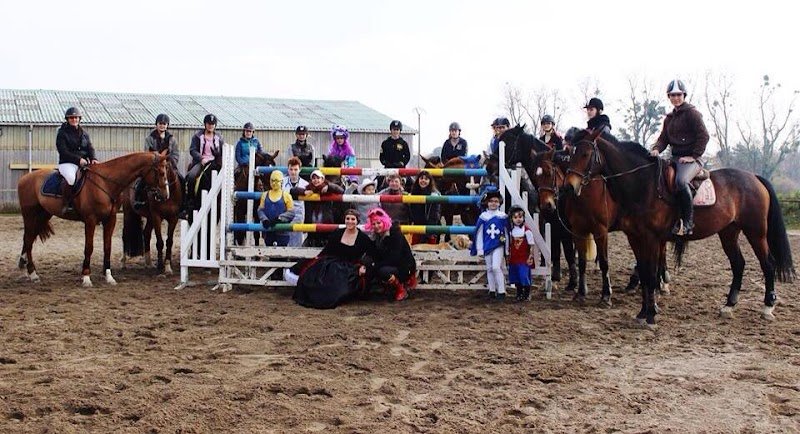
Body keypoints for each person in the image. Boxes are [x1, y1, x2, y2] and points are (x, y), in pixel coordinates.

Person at [650, 79, 710, 236]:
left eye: (678, 94)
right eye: (672, 95)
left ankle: (688, 222)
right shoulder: (669, 118)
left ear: (684, 95)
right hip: (675, 158)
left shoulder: (692, 114)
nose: (675, 98)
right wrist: (656, 149)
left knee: (681, 181)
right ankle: (672, 218)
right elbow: (663, 139)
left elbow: (704, 136)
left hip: (692, 159)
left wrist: (694, 156)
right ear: (669, 97)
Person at [289, 209, 374, 309]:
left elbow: (371, 253)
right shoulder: (337, 233)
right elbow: (328, 249)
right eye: (347, 219)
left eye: (353, 219)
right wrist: (317, 258)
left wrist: (364, 265)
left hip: (350, 267)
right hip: (332, 263)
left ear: (357, 221)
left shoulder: (363, 238)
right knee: (315, 277)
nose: (350, 221)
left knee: (340, 289)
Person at [366, 207, 417, 302]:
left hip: (403, 266)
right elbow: (373, 253)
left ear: (384, 222)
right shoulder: (375, 236)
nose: (376, 226)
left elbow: (395, 257)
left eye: (379, 223)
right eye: (373, 224)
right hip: (388, 263)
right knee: (369, 264)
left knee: (383, 271)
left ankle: (401, 288)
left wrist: (376, 266)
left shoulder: (395, 233)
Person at [180, 113, 225, 219]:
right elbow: (192, 150)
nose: (211, 126)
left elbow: (222, 151)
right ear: (205, 124)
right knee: (190, 177)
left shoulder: (219, 137)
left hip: (215, 163)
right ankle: (189, 204)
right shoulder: (197, 136)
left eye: (213, 124)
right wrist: (201, 158)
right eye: (209, 124)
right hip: (201, 162)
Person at [56, 107, 98, 214]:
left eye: (76, 117)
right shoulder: (62, 133)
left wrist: (93, 158)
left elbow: (90, 147)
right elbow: (63, 151)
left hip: (84, 162)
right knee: (71, 178)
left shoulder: (84, 134)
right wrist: (78, 160)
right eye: (71, 118)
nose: (74, 120)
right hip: (67, 163)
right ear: (67, 119)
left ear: (79, 119)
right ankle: (67, 203)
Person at [134, 113, 179, 209]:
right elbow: (146, 153)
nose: (162, 125)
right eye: (160, 123)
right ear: (156, 125)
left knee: (181, 180)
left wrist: (169, 163)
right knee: (140, 181)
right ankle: (138, 200)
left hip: (168, 165)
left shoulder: (172, 139)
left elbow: (175, 154)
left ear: (167, 125)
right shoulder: (149, 138)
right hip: (154, 166)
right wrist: (157, 160)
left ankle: (183, 204)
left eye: (164, 124)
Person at [471, 190, 508, 300]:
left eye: (496, 201)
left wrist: (506, 248)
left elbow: (506, 233)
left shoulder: (503, 216)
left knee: (496, 267)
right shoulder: (483, 216)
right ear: (487, 202)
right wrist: (480, 249)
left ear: (499, 202)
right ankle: (492, 290)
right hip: (487, 245)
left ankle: (501, 291)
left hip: (498, 245)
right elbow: (479, 234)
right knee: (489, 268)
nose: (493, 203)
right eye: (491, 201)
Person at [303, 169, 345, 247]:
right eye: (314, 178)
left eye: (318, 178)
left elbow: (341, 190)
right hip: (311, 228)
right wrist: (303, 192)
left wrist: (329, 186)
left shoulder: (328, 188)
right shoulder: (308, 189)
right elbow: (293, 191)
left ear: (322, 179)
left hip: (326, 226)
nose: (316, 180)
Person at [257, 170, 296, 247]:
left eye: (277, 181)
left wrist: (280, 218)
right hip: (268, 231)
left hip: (283, 232)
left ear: (281, 182)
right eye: (272, 180)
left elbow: (291, 212)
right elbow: (260, 210)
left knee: (282, 255)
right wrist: (264, 220)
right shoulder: (264, 195)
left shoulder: (286, 195)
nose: (274, 183)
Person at [506, 205, 536, 302]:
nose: (518, 219)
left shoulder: (527, 231)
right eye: (515, 217)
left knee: (524, 275)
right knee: (516, 276)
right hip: (514, 257)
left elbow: (531, 244)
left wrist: (530, 255)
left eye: (520, 217)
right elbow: (509, 244)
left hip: (524, 258)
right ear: (512, 219)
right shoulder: (511, 232)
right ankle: (519, 293)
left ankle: (527, 293)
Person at [282, 157, 310, 247]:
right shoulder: (282, 182)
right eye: (291, 169)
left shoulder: (305, 184)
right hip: (285, 214)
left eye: (295, 169)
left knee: (297, 243)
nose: (293, 172)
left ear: (300, 170)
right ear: (288, 169)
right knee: (284, 241)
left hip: (299, 216)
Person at [408, 170, 441, 244]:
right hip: (417, 226)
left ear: (430, 181)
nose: (423, 181)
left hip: (430, 227)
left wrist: (430, 230)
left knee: (431, 250)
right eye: (421, 178)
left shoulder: (435, 195)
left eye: (426, 179)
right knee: (415, 248)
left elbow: (435, 215)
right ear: (418, 180)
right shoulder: (413, 193)